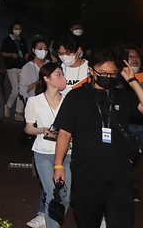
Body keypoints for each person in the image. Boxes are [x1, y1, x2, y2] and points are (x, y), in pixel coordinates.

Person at [53, 49, 143, 228]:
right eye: (102, 73)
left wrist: (132, 81)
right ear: (91, 71)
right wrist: (58, 165)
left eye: (112, 74)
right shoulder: (76, 97)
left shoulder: (123, 96)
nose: (107, 77)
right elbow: (64, 133)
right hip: (87, 175)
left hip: (120, 177)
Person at [24, 62, 71, 228]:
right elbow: (28, 128)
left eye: (62, 74)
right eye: (58, 74)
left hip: (66, 154)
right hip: (43, 152)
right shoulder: (34, 101)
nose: (62, 78)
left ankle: (53, 221)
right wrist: (42, 130)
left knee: (65, 196)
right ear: (47, 78)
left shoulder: (68, 101)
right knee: (52, 193)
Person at [1, 21, 29, 120]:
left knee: (22, 89)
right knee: (15, 89)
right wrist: (11, 55)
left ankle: (18, 112)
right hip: (11, 67)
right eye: (16, 28)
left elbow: (26, 52)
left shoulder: (22, 40)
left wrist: (26, 56)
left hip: (22, 66)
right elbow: (2, 53)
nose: (18, 30)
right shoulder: (7, 40)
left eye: (19, 28)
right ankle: (8, 106)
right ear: (12, 29)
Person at [21, 39, 50, 105]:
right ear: (33, 50)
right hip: (34, 102)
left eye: (45, 49)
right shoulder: (27, 67)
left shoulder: (49, 65)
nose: (43, 51)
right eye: (40, 49)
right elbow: (22, 90)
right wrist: (36, 84)